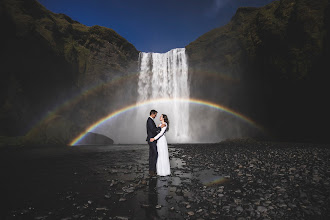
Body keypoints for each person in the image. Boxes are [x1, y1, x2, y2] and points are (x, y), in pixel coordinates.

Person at [146, 110, 165, 177]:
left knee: (152, 155)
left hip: (152, 139)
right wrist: (160, 127)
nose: (156, 116)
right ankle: (152, 171)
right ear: (152, 114)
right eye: (155, 115)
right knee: (154, 154)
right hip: (151, 140)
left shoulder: (150, 120)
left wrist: (158, 128)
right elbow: (153, 130)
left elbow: (153, 130)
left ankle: (151, 170)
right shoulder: (149, 120)